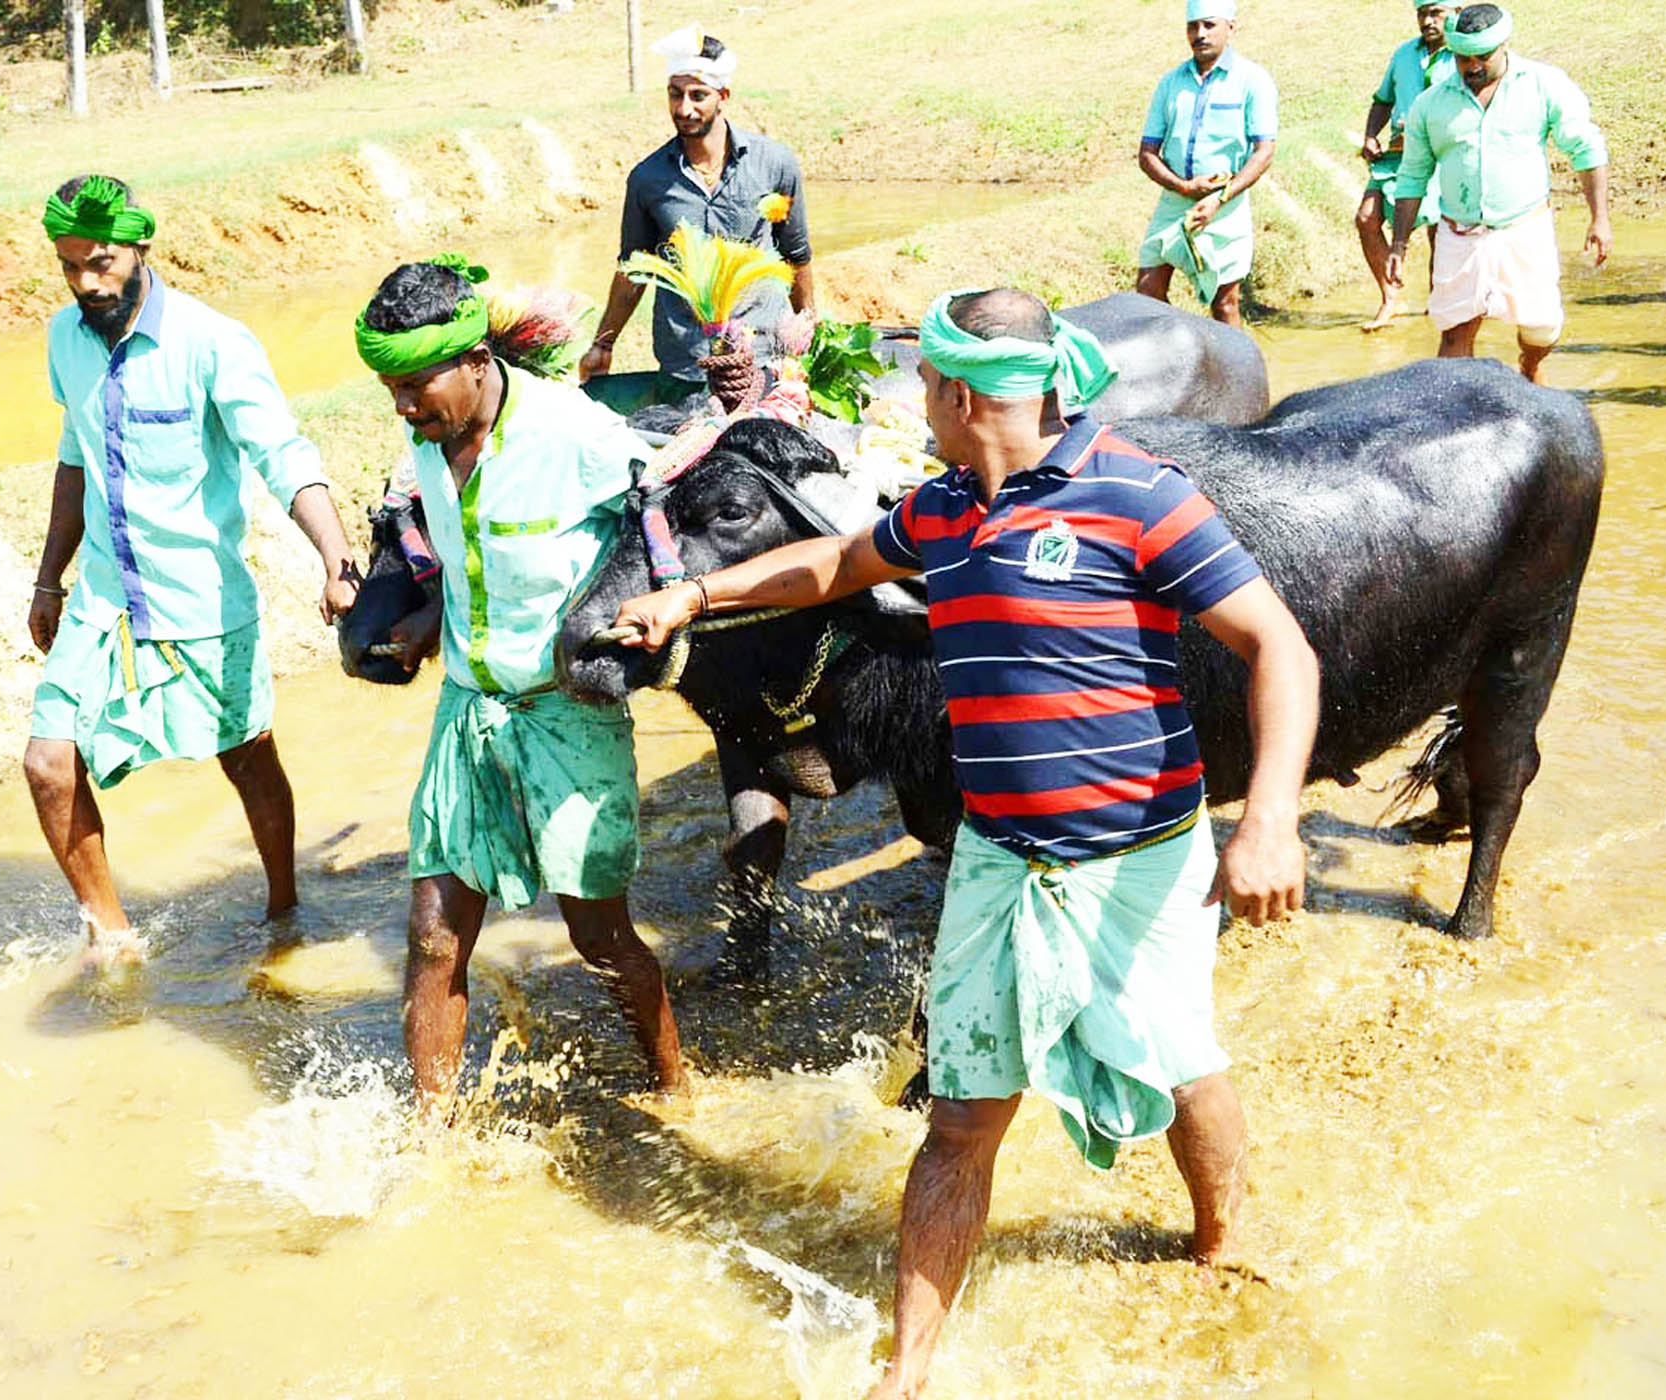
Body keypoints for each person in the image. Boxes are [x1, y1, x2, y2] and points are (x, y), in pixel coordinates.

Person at [609, 288, 1318, 1400]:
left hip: (1138, 858)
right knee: (961, 1118)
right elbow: (835, 566)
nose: (916, 407)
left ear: (955, 391)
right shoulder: (942, 510)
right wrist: (693, 592)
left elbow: (1281, 644)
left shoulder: (1139, 495)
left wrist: (1269, 815)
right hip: (998, 857)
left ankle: (1221, 1239)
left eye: (922, 390)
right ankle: (909, 1370)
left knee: (1180, 1064)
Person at [356, 258, 692, 1112]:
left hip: (564, 716)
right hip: (468, 707)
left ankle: (676, 1090)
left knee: (599, 933)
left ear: (475, 360)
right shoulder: (428, 430)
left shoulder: (573, 433)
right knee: (434, 939)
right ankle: (432, 1141)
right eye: (389, 388)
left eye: (413, 386)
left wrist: (647, 618)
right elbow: (461, 542)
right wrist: (431, 618)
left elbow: (658, 529)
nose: (402, 408)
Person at [25, 174, 360, 970]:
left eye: (100, 262)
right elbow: (74, 458)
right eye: (70, 267)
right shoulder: (65, 339)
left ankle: (284, 909)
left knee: (247, 757)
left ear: (141, 246)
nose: (86, 283)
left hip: (201, 600)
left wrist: (337, 558)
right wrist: (48, 579)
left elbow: (282, 455)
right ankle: (114, 939)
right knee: (47, 762)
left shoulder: (213, 341)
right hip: (106, 597)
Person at [578, 25, 815, 406]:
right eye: (675, 94)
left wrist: (807, 327)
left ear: (723, 96)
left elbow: (796, 253)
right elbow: (633, 271)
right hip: (685, 364)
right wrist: (603, 345)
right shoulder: (648, 179)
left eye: (697, 95)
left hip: (762, 358)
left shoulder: (775, 164)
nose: (684, 108)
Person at [1387, 4, 1611, 384]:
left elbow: (1586, 150)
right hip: (1460, 234)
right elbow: (1412, 177)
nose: (1472, 66)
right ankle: (1454, 424)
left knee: (1540, 330)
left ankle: (1531, 366)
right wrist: (1399, 244)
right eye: (1463, 58)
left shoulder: (1544, 84)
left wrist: (1600, 219)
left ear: (1504, 46)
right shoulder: (1430, 105)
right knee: (1455, 333)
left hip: (1525, 228)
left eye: (1483, 57)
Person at [1134, 0, 1279, 328]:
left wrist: (1219, 197)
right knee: (1146, 293)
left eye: (1209, 25)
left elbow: (1264, 152)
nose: (1199, 34)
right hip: (1175, 201)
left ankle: (1238, 377)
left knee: (1225, 302)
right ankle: (1185, 352)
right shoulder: (1170, 83)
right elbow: (1147, 153)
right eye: (1192, 26)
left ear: (1231, 27)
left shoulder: (1252, 80)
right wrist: (1183, 186)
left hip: (1225, 203)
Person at [1355, 1, 1458, 331]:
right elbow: (1383, 99)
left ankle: (1438, 302)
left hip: (1442, 153)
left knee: (1439, 230)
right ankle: (1392, 298)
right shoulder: (1403, 55)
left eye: (1436, 13)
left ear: (1456, 11)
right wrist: (1371, 135)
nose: (1428, 21)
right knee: (1367, 218)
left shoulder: (1464, 55)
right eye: (1422, 13)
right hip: (1398, 154)